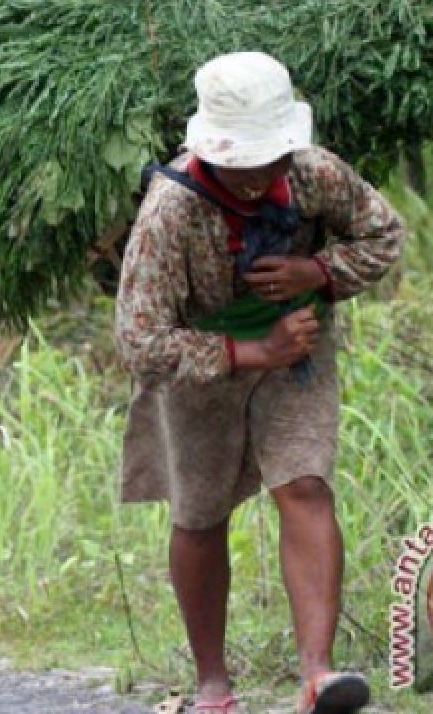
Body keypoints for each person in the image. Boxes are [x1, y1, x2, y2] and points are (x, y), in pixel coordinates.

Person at [114, 52, 405, 714]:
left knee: (304, 483)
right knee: (198, 511)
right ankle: (212, 683)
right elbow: (139, 340)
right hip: (201, 366)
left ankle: (318, 677)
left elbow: (383, 235)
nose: (257, 173)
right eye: (242, 159)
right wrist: (247, 351)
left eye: (269, 157)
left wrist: (318, 274)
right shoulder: (171, 211)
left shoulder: (314, 174)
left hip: (298, 346)